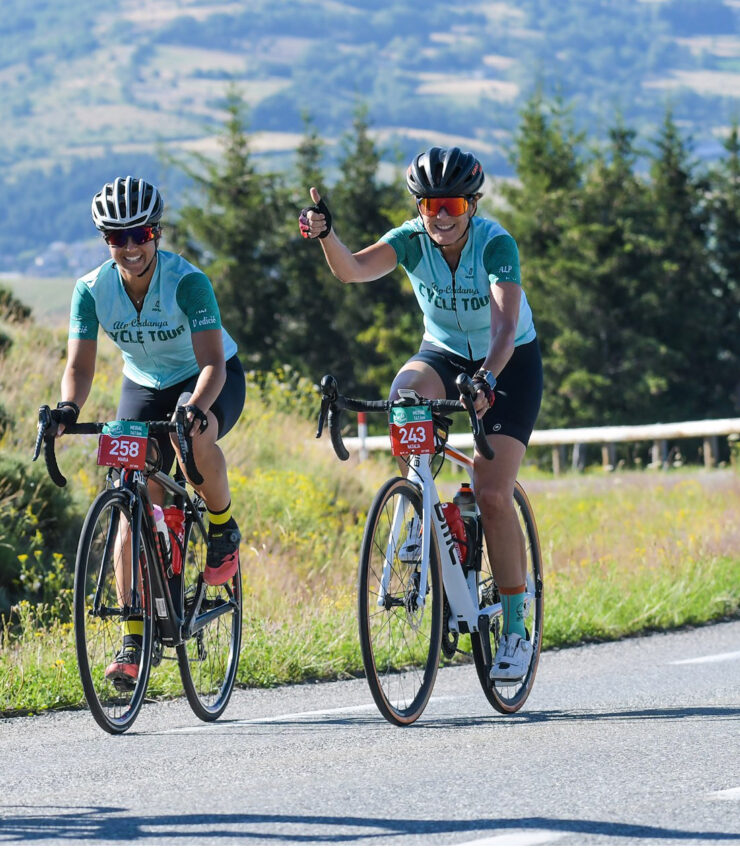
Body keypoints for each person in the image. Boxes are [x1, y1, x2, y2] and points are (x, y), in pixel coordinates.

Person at [299, 146, 542, 682]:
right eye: (430, 204)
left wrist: (488, 379)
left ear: (472, 203)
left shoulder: (495, 243)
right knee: (405, 393)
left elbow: (503, 329)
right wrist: (326, 236)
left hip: (509, 359)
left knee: (494, 492)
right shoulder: (411, 239)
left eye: (452, 202)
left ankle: (517, 629)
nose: (441, 215)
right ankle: (419, 502)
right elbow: (354, 270)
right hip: (444, 351)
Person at [46, 176, 245, 687]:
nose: (132, 247)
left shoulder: (187, 282)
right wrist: (69, 406)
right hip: (144, 383)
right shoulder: (91, 290)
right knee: (130, 495)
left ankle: (222, 527)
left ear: (157, 232)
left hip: (208, 376)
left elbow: (212, 365)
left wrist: (195, 408)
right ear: (105, 240)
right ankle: (134, 638)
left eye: (142, 233)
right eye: (118, 237)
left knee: (194, 442)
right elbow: (81, 367)